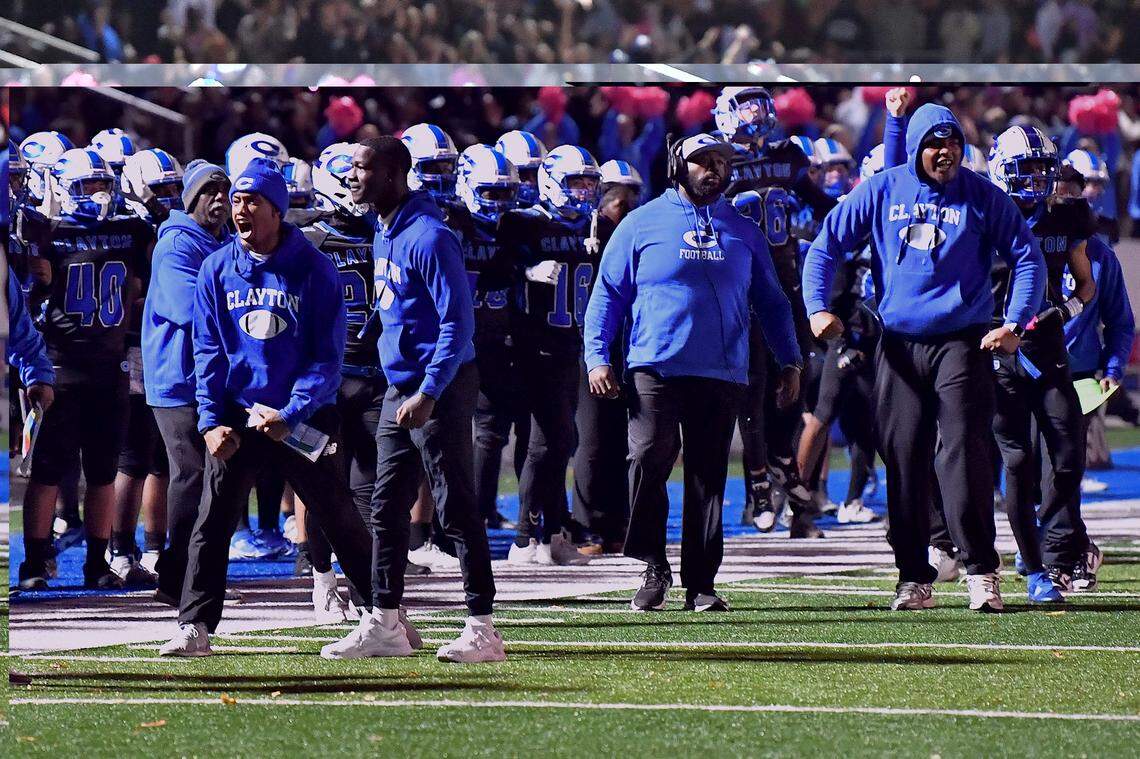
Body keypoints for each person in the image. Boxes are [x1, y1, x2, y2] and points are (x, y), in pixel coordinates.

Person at [803, 104, 1046, 613]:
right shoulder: (881, 189)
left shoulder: (983, 195)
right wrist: (816, 307)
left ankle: (982, 570)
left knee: (963, 454)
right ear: (916, 148)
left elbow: (1027, 257)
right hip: (899, 344)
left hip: (964, 341)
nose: (946, 153)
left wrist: (1015, 321)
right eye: (935, 145)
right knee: (904, 459)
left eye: (953, 143)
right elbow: (826, 246)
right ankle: (914, 577)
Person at [159, 158, 374, 656]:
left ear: (277, 210)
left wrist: (292, 412)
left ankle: (382, 612)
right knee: (213, 520)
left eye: (251, 200)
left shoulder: (315, 269)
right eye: (236, 199)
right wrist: (212, 420)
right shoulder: (216, 266)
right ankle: (195, 624)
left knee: (338, 515)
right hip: (239, 414)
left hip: (300, 417)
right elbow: (208, 350)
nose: (239, 209)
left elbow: (327, 355)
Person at [584, 133, 802, 612]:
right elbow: (607, 296)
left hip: (721, 369)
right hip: (654, 365)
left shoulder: (744, 229)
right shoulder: (641, 224)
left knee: (708, 476)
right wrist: (597, 356)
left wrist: (790, 361)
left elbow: (772, 301)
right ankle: (652, 564)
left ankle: (701, 581)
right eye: (704, 161)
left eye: (722, 163)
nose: (715, 170)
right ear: (678, 166)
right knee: (646, 458)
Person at [321, 136, 503, 663]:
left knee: (455, 505)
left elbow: (458, 322)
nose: (353, 177)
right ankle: (384, 621)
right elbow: (395, 307)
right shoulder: (385, 230)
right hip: (399, 386)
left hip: (436, 386)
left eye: (363, 168)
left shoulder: (429, 235)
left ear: (395, 174)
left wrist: (428, 390)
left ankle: (483, 627)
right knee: (385, 505)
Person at [18, 148, 154, 590]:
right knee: (47, 472)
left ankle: (97, 563)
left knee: (102, 471)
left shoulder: (129, 229)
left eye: (102, 185)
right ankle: (36, 563)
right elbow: (24, 300)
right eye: (86, 186)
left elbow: (137, 288)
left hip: (108, 366)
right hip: (59, 365)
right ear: (60, 188)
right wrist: (33, 278)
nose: (97, 195)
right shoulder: (46, 231)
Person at [718, 86, 837, 538]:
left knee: (793, 380)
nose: (755, 113)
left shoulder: (787, 154)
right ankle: (758, 481)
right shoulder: (717, 158)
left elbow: (815, 199)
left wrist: (851, 214)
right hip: (744, 287)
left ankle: (783, 463)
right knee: (752, 386)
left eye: (759, 104)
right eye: (744, 105)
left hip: (786, 283)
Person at [988, 128, 1096, 601]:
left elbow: (1086, 285)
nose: (1035, 179)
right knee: (1017, 459)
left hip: (1048, 349)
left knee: (1069, 456)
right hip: (1000, 351)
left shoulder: (1065, 216)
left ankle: (1036, 528)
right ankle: (1036, 569)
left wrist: (1063, 311)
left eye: (1040, 168)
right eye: (1025, 169)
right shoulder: (985, 218)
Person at [497, 144, 612, 566]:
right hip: (534, 346)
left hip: (569, 346)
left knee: (561, 440)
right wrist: (526, 272)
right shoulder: (524, 224)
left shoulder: (591, 227)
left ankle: (549, 533)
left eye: (589, 183)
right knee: (550, 442)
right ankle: (527, 538)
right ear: (550, 184)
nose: (584, 192)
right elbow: (494, 270)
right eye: (575, 183)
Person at [143, 159, 232, 606]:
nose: (219, 199)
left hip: (210, 379)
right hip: (177, 379)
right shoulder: (176, 244)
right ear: (191, 198)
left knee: (215, 476)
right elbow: (189, 310)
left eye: (224, 191)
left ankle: (197, 573)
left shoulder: (223, 242)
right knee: (191, 474)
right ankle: (173, 575)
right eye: (209, 191)